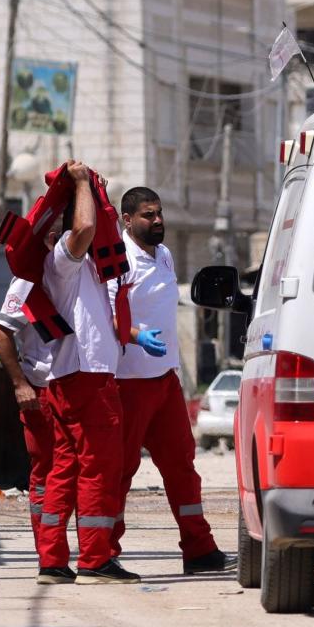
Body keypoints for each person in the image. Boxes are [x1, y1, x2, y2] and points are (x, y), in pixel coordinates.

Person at [108, 186, 234, 574]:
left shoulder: (163, 255)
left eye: (159, 212)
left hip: (165, 380)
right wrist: (135, 335)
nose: (158, 220)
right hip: (129, 381)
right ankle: (103, 552)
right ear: (127, 221)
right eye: (148, 215)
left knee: (182, 466)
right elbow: (105, 317)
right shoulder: (117, 260)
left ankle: (199, 550)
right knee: (121, 471)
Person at [38, 160, 140, 584]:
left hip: (74, 375)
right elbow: (81, 229)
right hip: (86, 375)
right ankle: (96, 558)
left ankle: (53, 560)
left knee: (66, 466)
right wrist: (82, 184)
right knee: (101, 464)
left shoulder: (92, 266)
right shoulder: (66, 256)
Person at [0, 278, 62, 583]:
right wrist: (20, 384)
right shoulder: (29, 280)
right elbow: (1, 333)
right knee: (47, 473)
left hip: (76, 386)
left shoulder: (80, 270)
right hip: (42, 390)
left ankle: (86, 554)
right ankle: (49, 553)